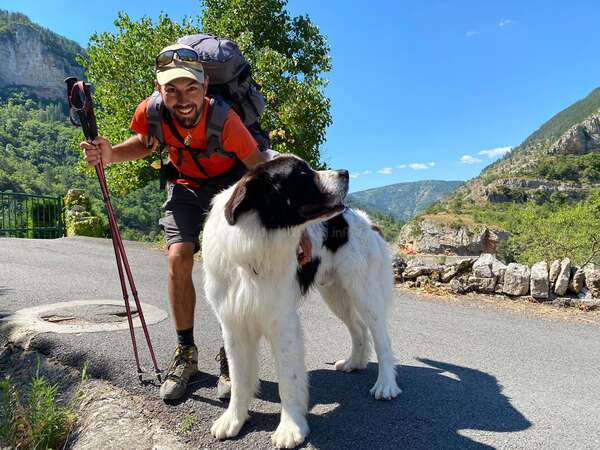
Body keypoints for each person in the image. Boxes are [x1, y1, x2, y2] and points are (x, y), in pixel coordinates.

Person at [81, 43, 312, 401]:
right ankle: (185, 353)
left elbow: (261, 170)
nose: (182, 98)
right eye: (171, 89)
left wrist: (298, 225)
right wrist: (111, 155)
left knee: (237, 269)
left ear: (205, 87)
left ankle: (229, 355)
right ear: (160, 91)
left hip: (229, 188)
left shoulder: (226, 120)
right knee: (178, 258)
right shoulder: (153, 112)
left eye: (191, 88)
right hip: (185, 186)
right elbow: (146, 143)